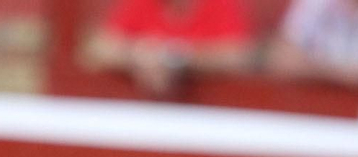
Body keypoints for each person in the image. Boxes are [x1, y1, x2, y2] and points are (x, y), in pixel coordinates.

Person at [86, 0, 256, 97]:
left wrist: (176, 59)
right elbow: (98, 48)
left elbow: (238, 55)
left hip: (207, 112)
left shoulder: (220, 4)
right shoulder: (142, 3)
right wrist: (138, 54)